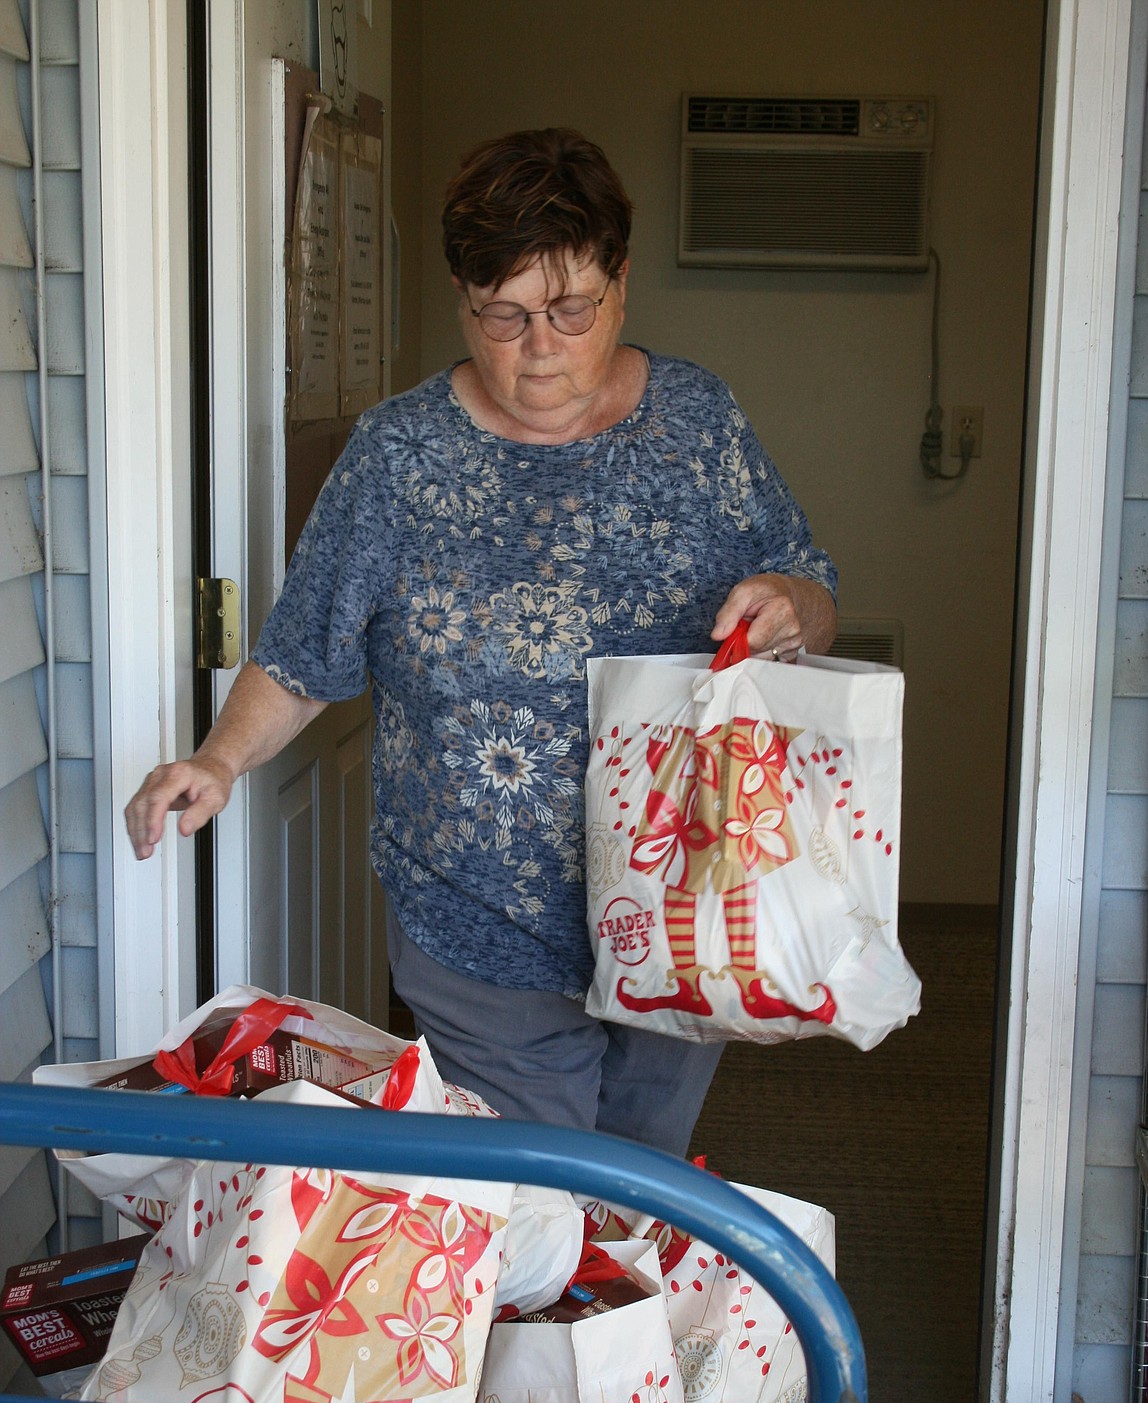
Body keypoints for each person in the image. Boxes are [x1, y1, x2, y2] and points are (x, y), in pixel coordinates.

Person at [125, 126, 837, 1158]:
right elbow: (305, 648)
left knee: (644, 1184)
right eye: (503, 314)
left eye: (568, 309)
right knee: (533, 1212)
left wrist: (787, 601)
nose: (538, 344)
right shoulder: (399, 456)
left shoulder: (700, 421)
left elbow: (812, 594)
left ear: (621, 285)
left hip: (683, 896)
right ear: (463, 301)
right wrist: (218, 759)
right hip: (478, 919)